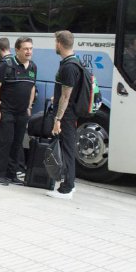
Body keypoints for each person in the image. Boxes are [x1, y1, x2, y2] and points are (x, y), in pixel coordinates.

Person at [0, 37, 37, 186]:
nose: (28, 51)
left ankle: (11, 175)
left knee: (17, 144)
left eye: (30, 48)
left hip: (22, 113)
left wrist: (29, 107)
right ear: (17, 50)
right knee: (6, 142)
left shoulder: (33, 67)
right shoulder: (7, 65)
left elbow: (32, 87)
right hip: (6, 111)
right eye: (25, 48)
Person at [48, 30, 83, 200]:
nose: (55, 45)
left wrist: (57, 119)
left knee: (67, 149)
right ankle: (69, 185)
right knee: (67, 148)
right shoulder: (73, 62)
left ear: (60, 44)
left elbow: (66, 96)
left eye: (55, 42)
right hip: (68, 113)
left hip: (67, 116)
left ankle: (67, 189)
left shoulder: (69, 66)